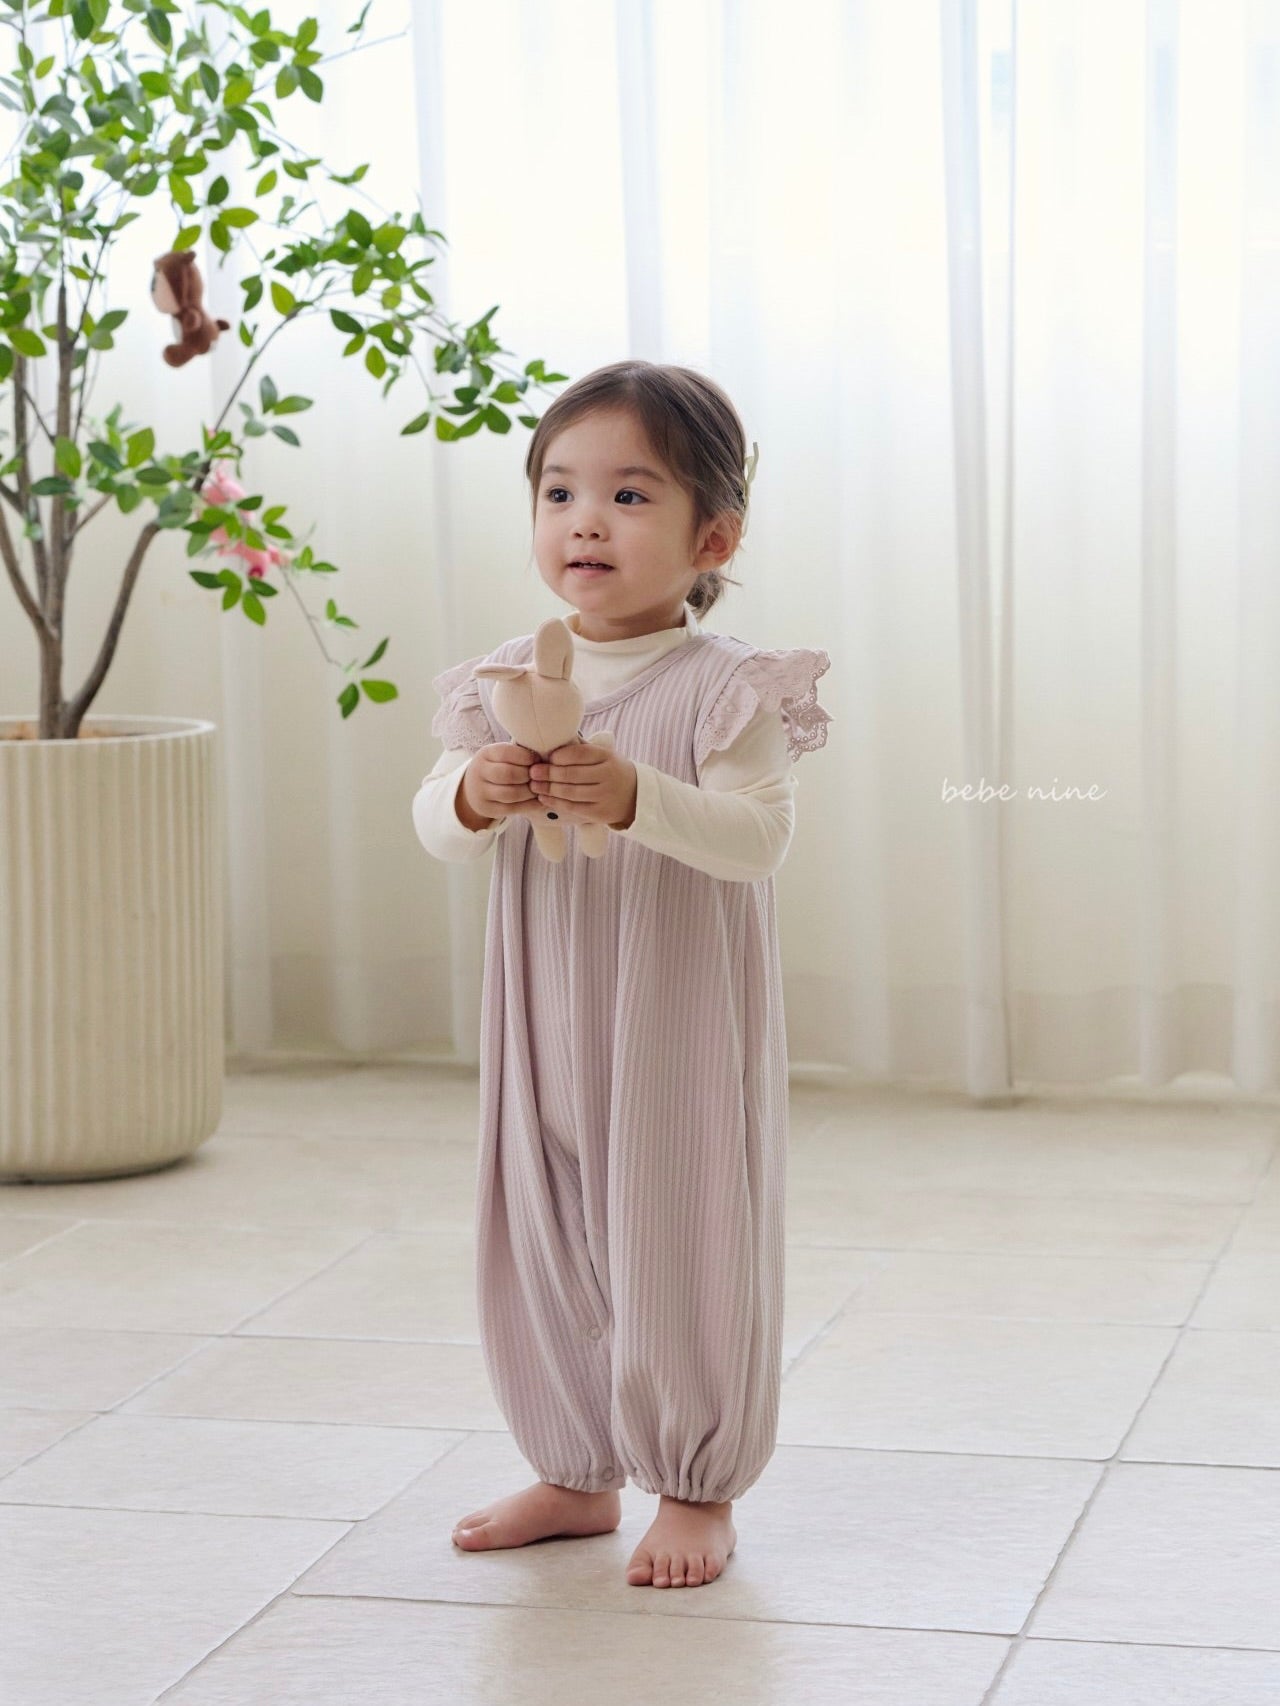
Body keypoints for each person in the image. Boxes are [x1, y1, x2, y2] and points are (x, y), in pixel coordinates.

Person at [411, 359, 832, 1590]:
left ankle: (695, 1480)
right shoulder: (504, 679)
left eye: (628, 495)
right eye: (558, 492)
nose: (584, 520)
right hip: (543, 1013)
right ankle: (574, 1464)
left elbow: (758, 838)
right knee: (541, 1220)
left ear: (713, 538)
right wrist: (473, 791)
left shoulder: (724, 686)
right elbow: (433, 825)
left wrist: (641, 793)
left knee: (678, 1226)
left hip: (673, 1019)